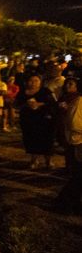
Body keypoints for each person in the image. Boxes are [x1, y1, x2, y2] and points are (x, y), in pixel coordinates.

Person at [15, 74, 56, 170]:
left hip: (45, 120)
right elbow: (16, 105)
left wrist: (39, 104)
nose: (33, 83)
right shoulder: (22, 93)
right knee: (31, 139)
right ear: (27, 82)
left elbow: (53, 103)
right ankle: (34, 160)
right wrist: (26, 105)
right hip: (28, 120)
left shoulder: (45, 91)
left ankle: (48, 160)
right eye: (31, 80)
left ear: (40, 82)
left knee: (47, 140)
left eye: (36, 80)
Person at [55, 82, 82, 211]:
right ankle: (64, 203)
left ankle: (71, 203)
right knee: (78, 177)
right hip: (79, 143)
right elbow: (74, 124)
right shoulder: (79, 102)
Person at [56, 78, 79, 170]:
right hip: (64, 124)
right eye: (66, 84)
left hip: (74, 126)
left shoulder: (78, 97)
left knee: (75, 148)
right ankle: (68, 166)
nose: (67, 86)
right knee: (67, 147)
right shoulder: (63, 96)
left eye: (70, 84)